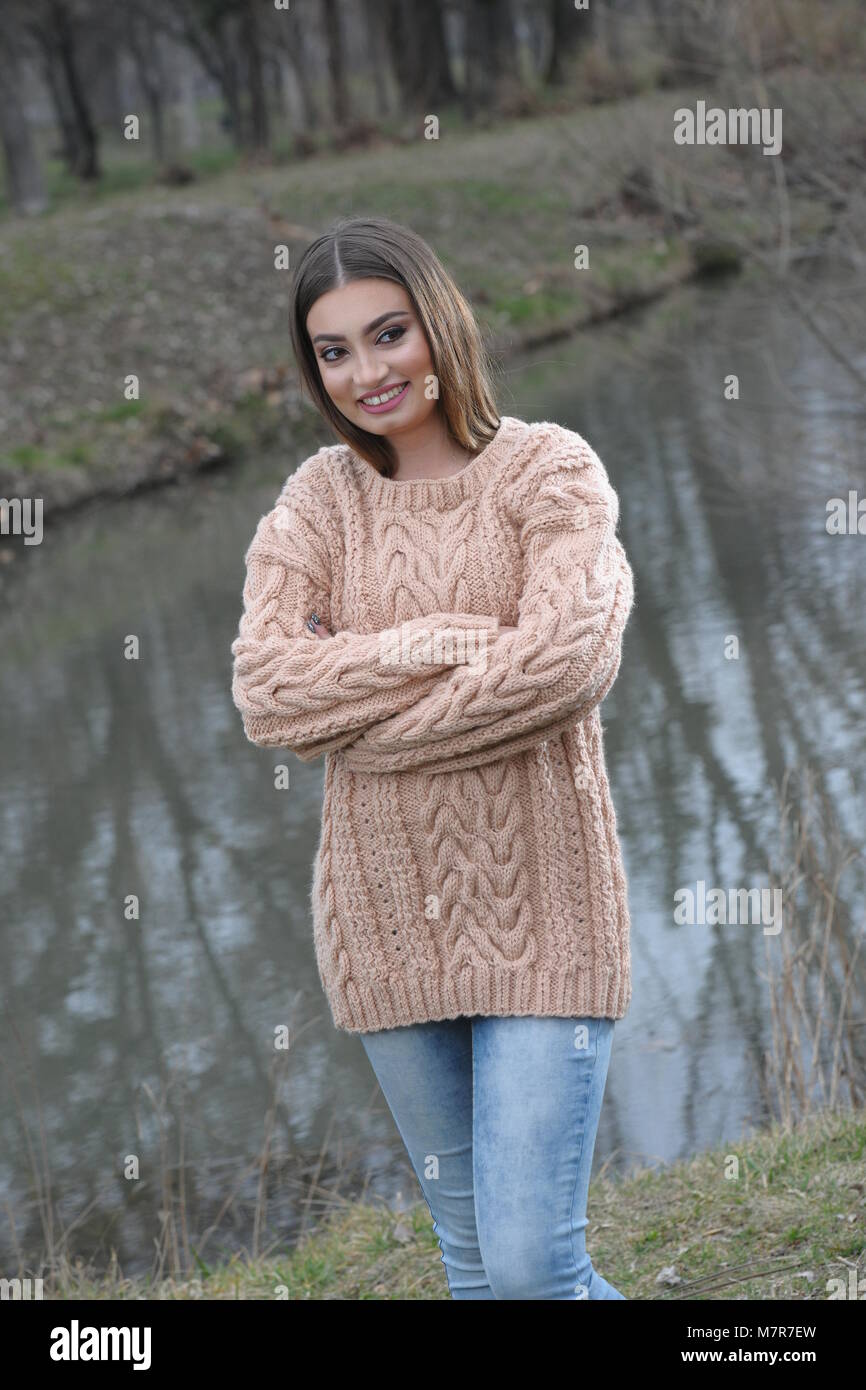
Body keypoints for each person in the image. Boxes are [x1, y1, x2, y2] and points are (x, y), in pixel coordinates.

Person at [231, 215, 635, 1299]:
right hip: (380, 928)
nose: (366, 371)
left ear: (438, 324)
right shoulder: (319, 500)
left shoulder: (548, 471)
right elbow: (266, 692)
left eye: (387, 332)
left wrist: (358, 714)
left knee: (529, 1263)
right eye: (333, 350)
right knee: (469, 1267)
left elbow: (562, 667)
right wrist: (446, 644)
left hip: (543, 906)